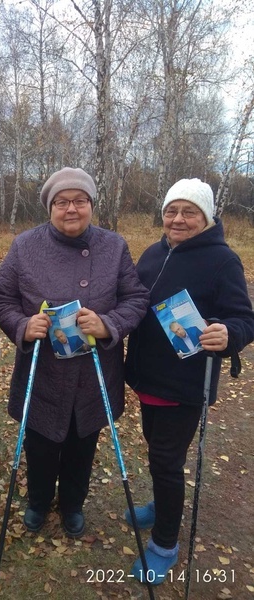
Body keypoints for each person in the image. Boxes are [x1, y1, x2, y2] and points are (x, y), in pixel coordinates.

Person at [0, 167, 149, 537]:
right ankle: (39, 501)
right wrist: (22, 325)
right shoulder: (25, 246)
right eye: (62, 202)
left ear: (92, 205)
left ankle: (73, 504)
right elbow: (1, 297)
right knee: (41, 444)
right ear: (50, 207)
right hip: (42, 373)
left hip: (93, 375)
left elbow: (136, 298)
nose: (71, 209)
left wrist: (108, 323)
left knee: (82, 444)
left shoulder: (114, 246)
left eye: (80, 201)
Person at [125, 178, 254, 584]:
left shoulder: (222, 260)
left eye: (189, 212)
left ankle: (165, 544)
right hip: (147, 377)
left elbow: (244, 319)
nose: (178, 219)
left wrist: (227, 334)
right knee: (158, 452)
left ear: (206, 216)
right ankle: (161, 507)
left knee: (167, 461)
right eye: (171, 211)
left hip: (183, 384)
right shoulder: (153, 251)